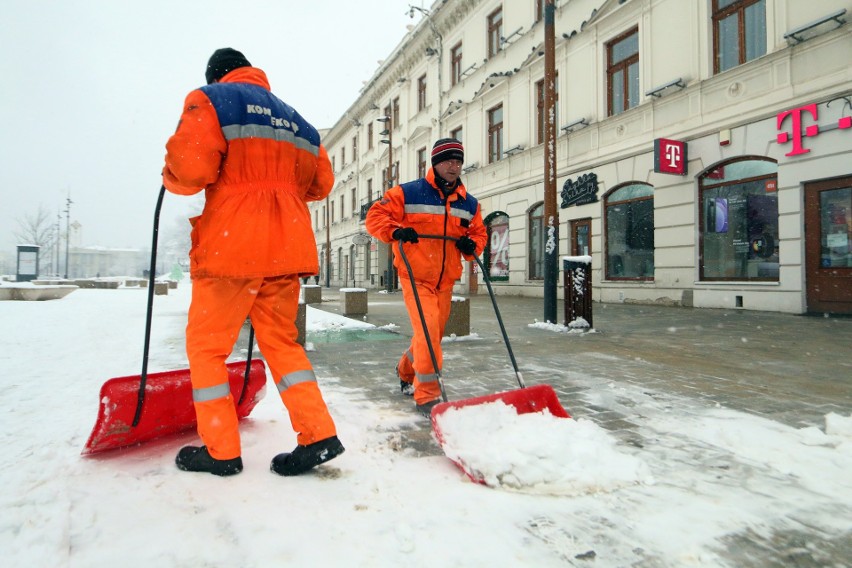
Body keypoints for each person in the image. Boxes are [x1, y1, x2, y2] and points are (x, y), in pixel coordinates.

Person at [161, 48, 344, 476]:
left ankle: (221, 450)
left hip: (233, 248)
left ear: (215, 75)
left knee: (207, 348)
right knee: (282, 343)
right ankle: (318, 434)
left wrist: (170, 173)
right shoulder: (296, 120)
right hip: (286, 247)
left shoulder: (210, 100)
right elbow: (321, 183)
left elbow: (189, 172)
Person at [365, 138, 487, 416]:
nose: (454, 167)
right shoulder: (407, 193)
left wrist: (472, 246)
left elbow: (478, 233)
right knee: (429, 331)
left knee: (432, 335)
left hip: (445, 281)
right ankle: (427, 395)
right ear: (435, 163)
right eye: (448, 161)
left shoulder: (469, 203)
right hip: (415, 276)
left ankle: (405, 369)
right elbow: (376, 216)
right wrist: (395, 231)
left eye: (458, 162)